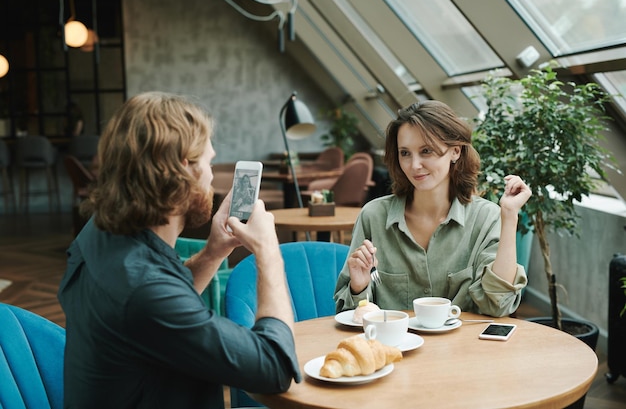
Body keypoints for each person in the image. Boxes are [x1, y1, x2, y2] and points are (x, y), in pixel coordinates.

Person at [58, 92, 300, 408]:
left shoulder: (101, 232)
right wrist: (268, 250)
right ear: (184, 169)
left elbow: (162, 307)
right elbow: (276, 367)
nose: (213, 176)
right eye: (209, 162)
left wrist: (214, 252)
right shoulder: (145, 290)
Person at [334, 100, 532, 318]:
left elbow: (498, 305)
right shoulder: (373, 216)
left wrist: (510, 215)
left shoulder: (486, 217)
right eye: (405, 153)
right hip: (393, 349)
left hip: (465, 349)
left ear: (455, 151)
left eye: (426, 151)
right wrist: (359, 287)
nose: (414, 165)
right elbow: (349, 313)